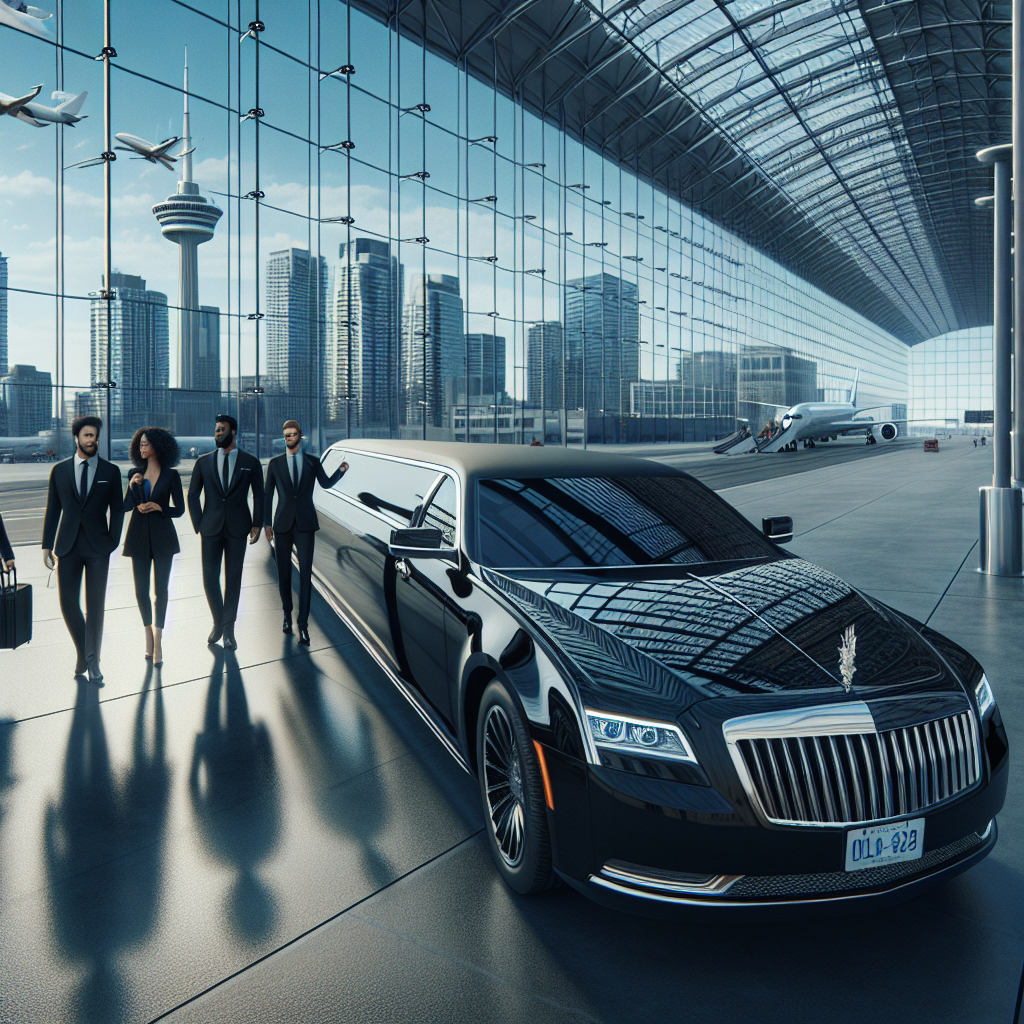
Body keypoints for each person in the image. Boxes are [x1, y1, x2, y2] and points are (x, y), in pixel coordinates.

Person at [41, 415, 124, 684]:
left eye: (96, 436)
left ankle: (93, 662)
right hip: (67, 546)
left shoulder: (110, 471)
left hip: (99, 546)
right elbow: (53, 509)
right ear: (76, 438)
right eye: (88, 435)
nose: (93, 440)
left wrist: (112, 542)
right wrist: (46, 545)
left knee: (95, 606)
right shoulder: (60, 471)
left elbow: (118, 510)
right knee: (67, 603)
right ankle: (82, 651)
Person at [263, 420, 347, 645]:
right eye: (285, 435)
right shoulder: (275, 464)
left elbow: (326, 483)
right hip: (281, 524)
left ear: (300, 436)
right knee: (284, 574)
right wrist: (266, 524)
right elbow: (267, 495)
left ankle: (303, 625)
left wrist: (341, 472)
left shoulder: (312, 462)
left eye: (292, 434)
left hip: (306, 524)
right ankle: (286, 615)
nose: (288, 438)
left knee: (305, 575)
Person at [187, 415, 263, 650]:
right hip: (210, 528)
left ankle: (228, 629)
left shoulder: (251, 461)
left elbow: (260, 495)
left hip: (238, 527)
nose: (217, 434)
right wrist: (199, 524)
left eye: (222, 430)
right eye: (216, 430)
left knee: (233, 578)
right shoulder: (203, 462)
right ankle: (218, 621)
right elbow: (192, 495)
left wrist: (257, 523)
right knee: (209, 578)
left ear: (234, 432)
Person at [122, 427, 185, 666]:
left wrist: (160, 508)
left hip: (163, 537)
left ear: (158, 446)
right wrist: (131, 488)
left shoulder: (172, 476)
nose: (142, 448)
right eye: (139, 444)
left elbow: (178, 510)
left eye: (146, 444)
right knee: (141, 591)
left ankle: (158, 640)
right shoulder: (134, 473)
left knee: (162, 591)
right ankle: (147, 633)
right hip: (137, 537)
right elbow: (125, 507)